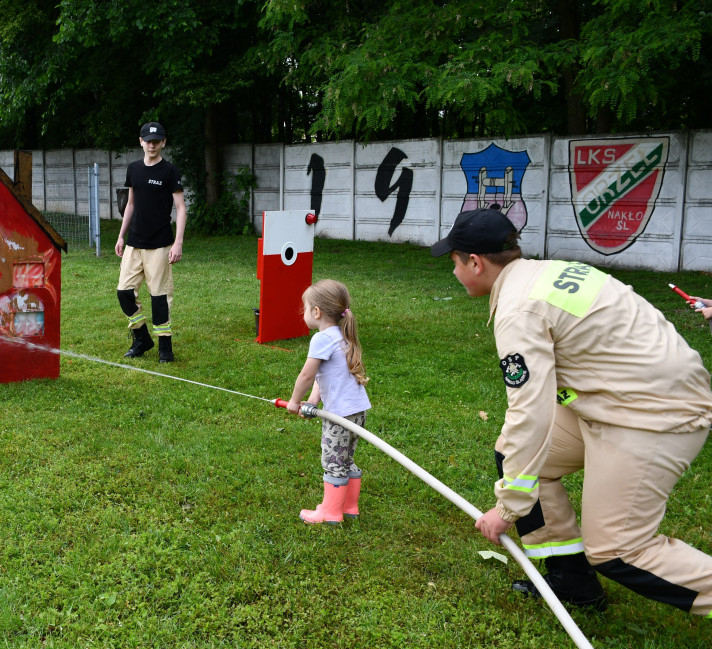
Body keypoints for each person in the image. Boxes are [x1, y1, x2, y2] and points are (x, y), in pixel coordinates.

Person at [431, 206, 712, 616]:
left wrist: (508, 508)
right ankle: (573, 581)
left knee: (617, 549)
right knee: (514, 454)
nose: (454, 272)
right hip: (625, 397)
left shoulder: (518, 309)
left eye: (454, 262)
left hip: (653, 414)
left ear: (474, 262)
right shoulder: (544, 272)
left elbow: (531, 411)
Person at [287, 279, 372, 524]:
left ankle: (331, 512)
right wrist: (312, 401)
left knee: (333, 461)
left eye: (304, 308)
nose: (303, 314)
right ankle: (349, 506)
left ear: (317, 312)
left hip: (340, 415)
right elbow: (325, 377)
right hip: (357, 412)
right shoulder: (342, 335)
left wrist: (295, 401)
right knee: (347, 458)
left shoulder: (321, 338)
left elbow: (308, 374)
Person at [115, 122, 186, 362]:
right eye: (148, 140)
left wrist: (178, 243)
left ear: (163, 142)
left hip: (160, 245)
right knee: (124, 293)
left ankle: (165, 347)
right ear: (141, 142)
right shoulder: (134, 169)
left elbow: (180, 208)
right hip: (134, 244)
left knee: (159, 297)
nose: (152, 144)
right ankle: (142, 338)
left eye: (157, 140)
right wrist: (121, 236)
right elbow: (131, 204)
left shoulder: (169, 171)